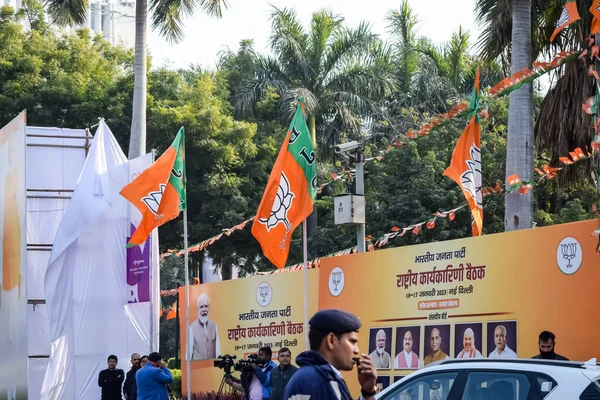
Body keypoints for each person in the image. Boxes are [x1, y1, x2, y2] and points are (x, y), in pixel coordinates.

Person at [283, 309, 378, 400]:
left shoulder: (305, 376)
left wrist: (367, 392)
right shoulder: (324, 381)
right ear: (331, 341)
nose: (356, 350)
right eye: (352, 341)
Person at [189, 293, 221, 360]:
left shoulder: (214, 326)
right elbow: (189, 354)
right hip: (198, 368)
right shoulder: (191, 328)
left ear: (209, 308)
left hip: (212, 367)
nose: (204, 310)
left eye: (206, 306)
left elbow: (218, 350)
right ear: (197, 309)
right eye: (201, 307)